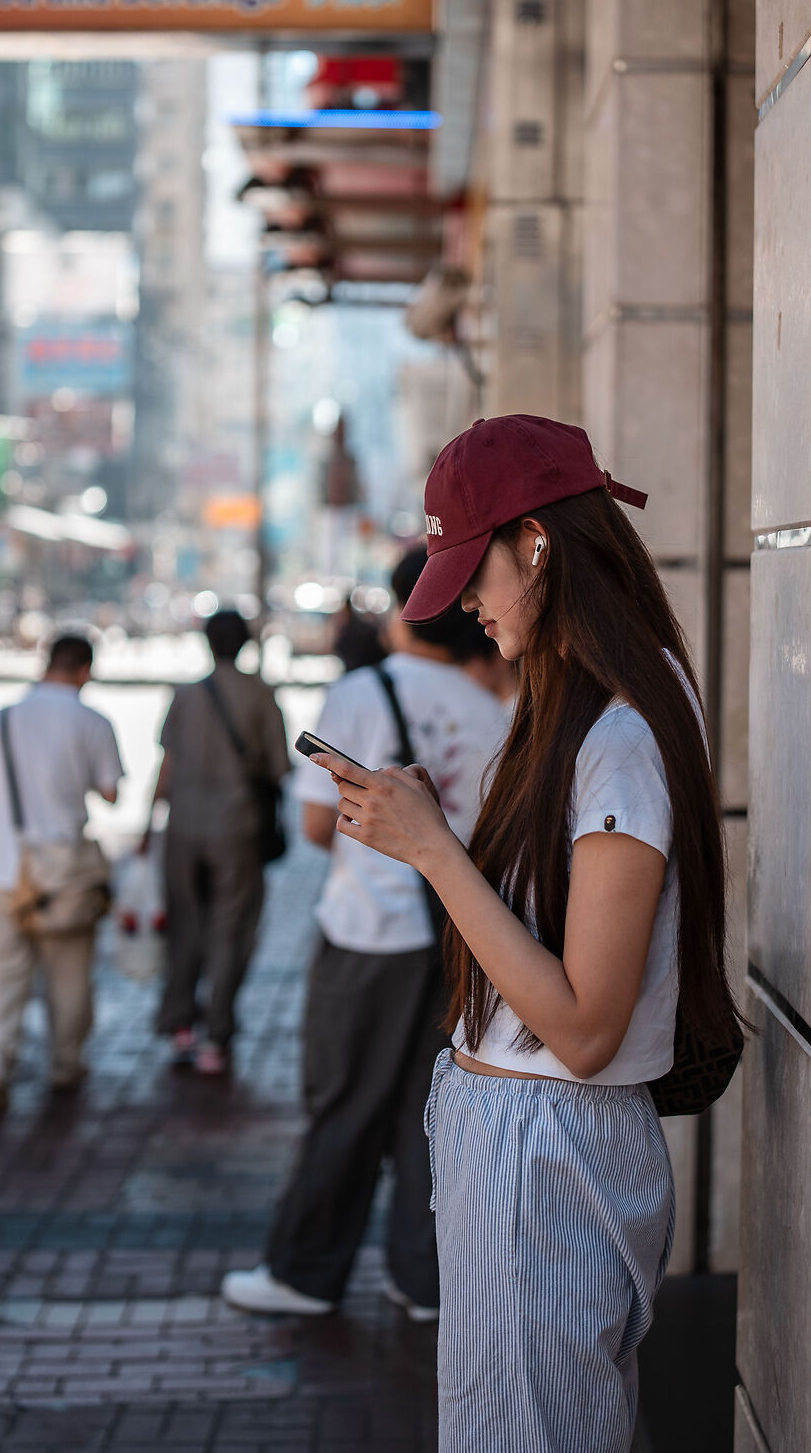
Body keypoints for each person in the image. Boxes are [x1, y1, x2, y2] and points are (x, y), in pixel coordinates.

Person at [308, 416, 740, 1453]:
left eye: (473, 570)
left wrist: (435, 852)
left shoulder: (618, 731)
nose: (464, 603)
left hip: (541, 1144)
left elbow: (586, 1026)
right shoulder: (609, 700)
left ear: (537, 542)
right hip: (532, 1141)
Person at [222, 547, 511, 1324]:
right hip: (464, 937)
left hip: (369, 933)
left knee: (344, 1099)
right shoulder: (496, 704)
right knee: (432, 1111)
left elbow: (322, 825)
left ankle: (305, 1273)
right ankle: (424, 1281)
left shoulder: (362, 691)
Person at [0, 632, 124, 1116]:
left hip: (2, 873)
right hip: (64, 875)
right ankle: (65, 1065)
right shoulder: (93, 721)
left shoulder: (2, 718)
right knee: (69, 976)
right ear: (85, 670)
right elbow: (110, 793)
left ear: (46, 664)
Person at [146, 609, 290, 1076]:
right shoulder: (262, 694)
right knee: (232, 927)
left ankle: (179, 1025)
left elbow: (166, 766)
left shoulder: (185, 695)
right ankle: (217, 1035)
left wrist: (149, 821)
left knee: (185, 923)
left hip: (184, 825)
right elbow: (278, 769)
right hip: (237, 827)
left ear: (206, 643)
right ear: (247, 643)